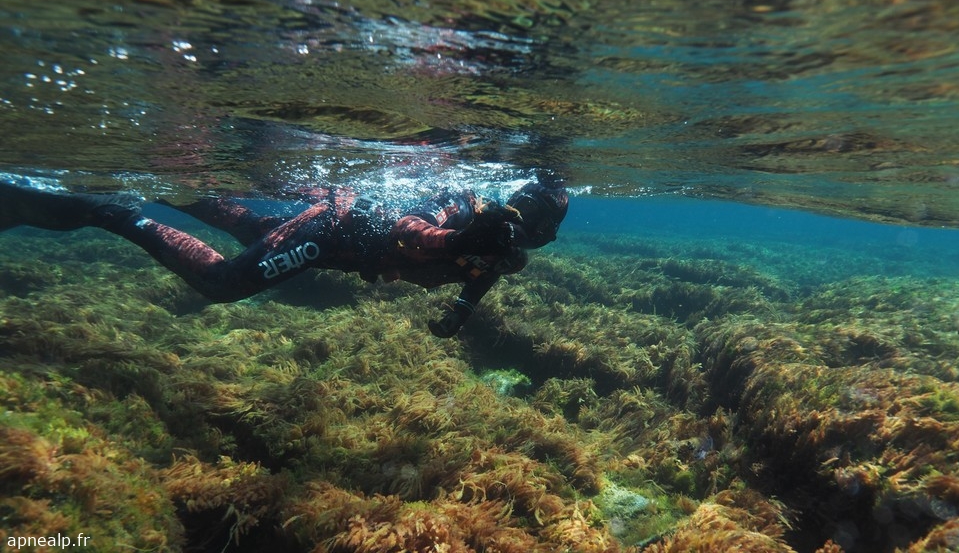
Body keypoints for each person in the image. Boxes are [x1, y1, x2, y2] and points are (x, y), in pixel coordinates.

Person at [0, 177, 569, 338]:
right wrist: (456, 241)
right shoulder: (468, 212)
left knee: (241, 222)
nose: (527, 239)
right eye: (535, 226)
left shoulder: (501, 249)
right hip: (330, 233)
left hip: (335, 247)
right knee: (223, 283)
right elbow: (409, 228)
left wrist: (461, 312)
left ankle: (159, 186)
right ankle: (112, 212)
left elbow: (481, 275)